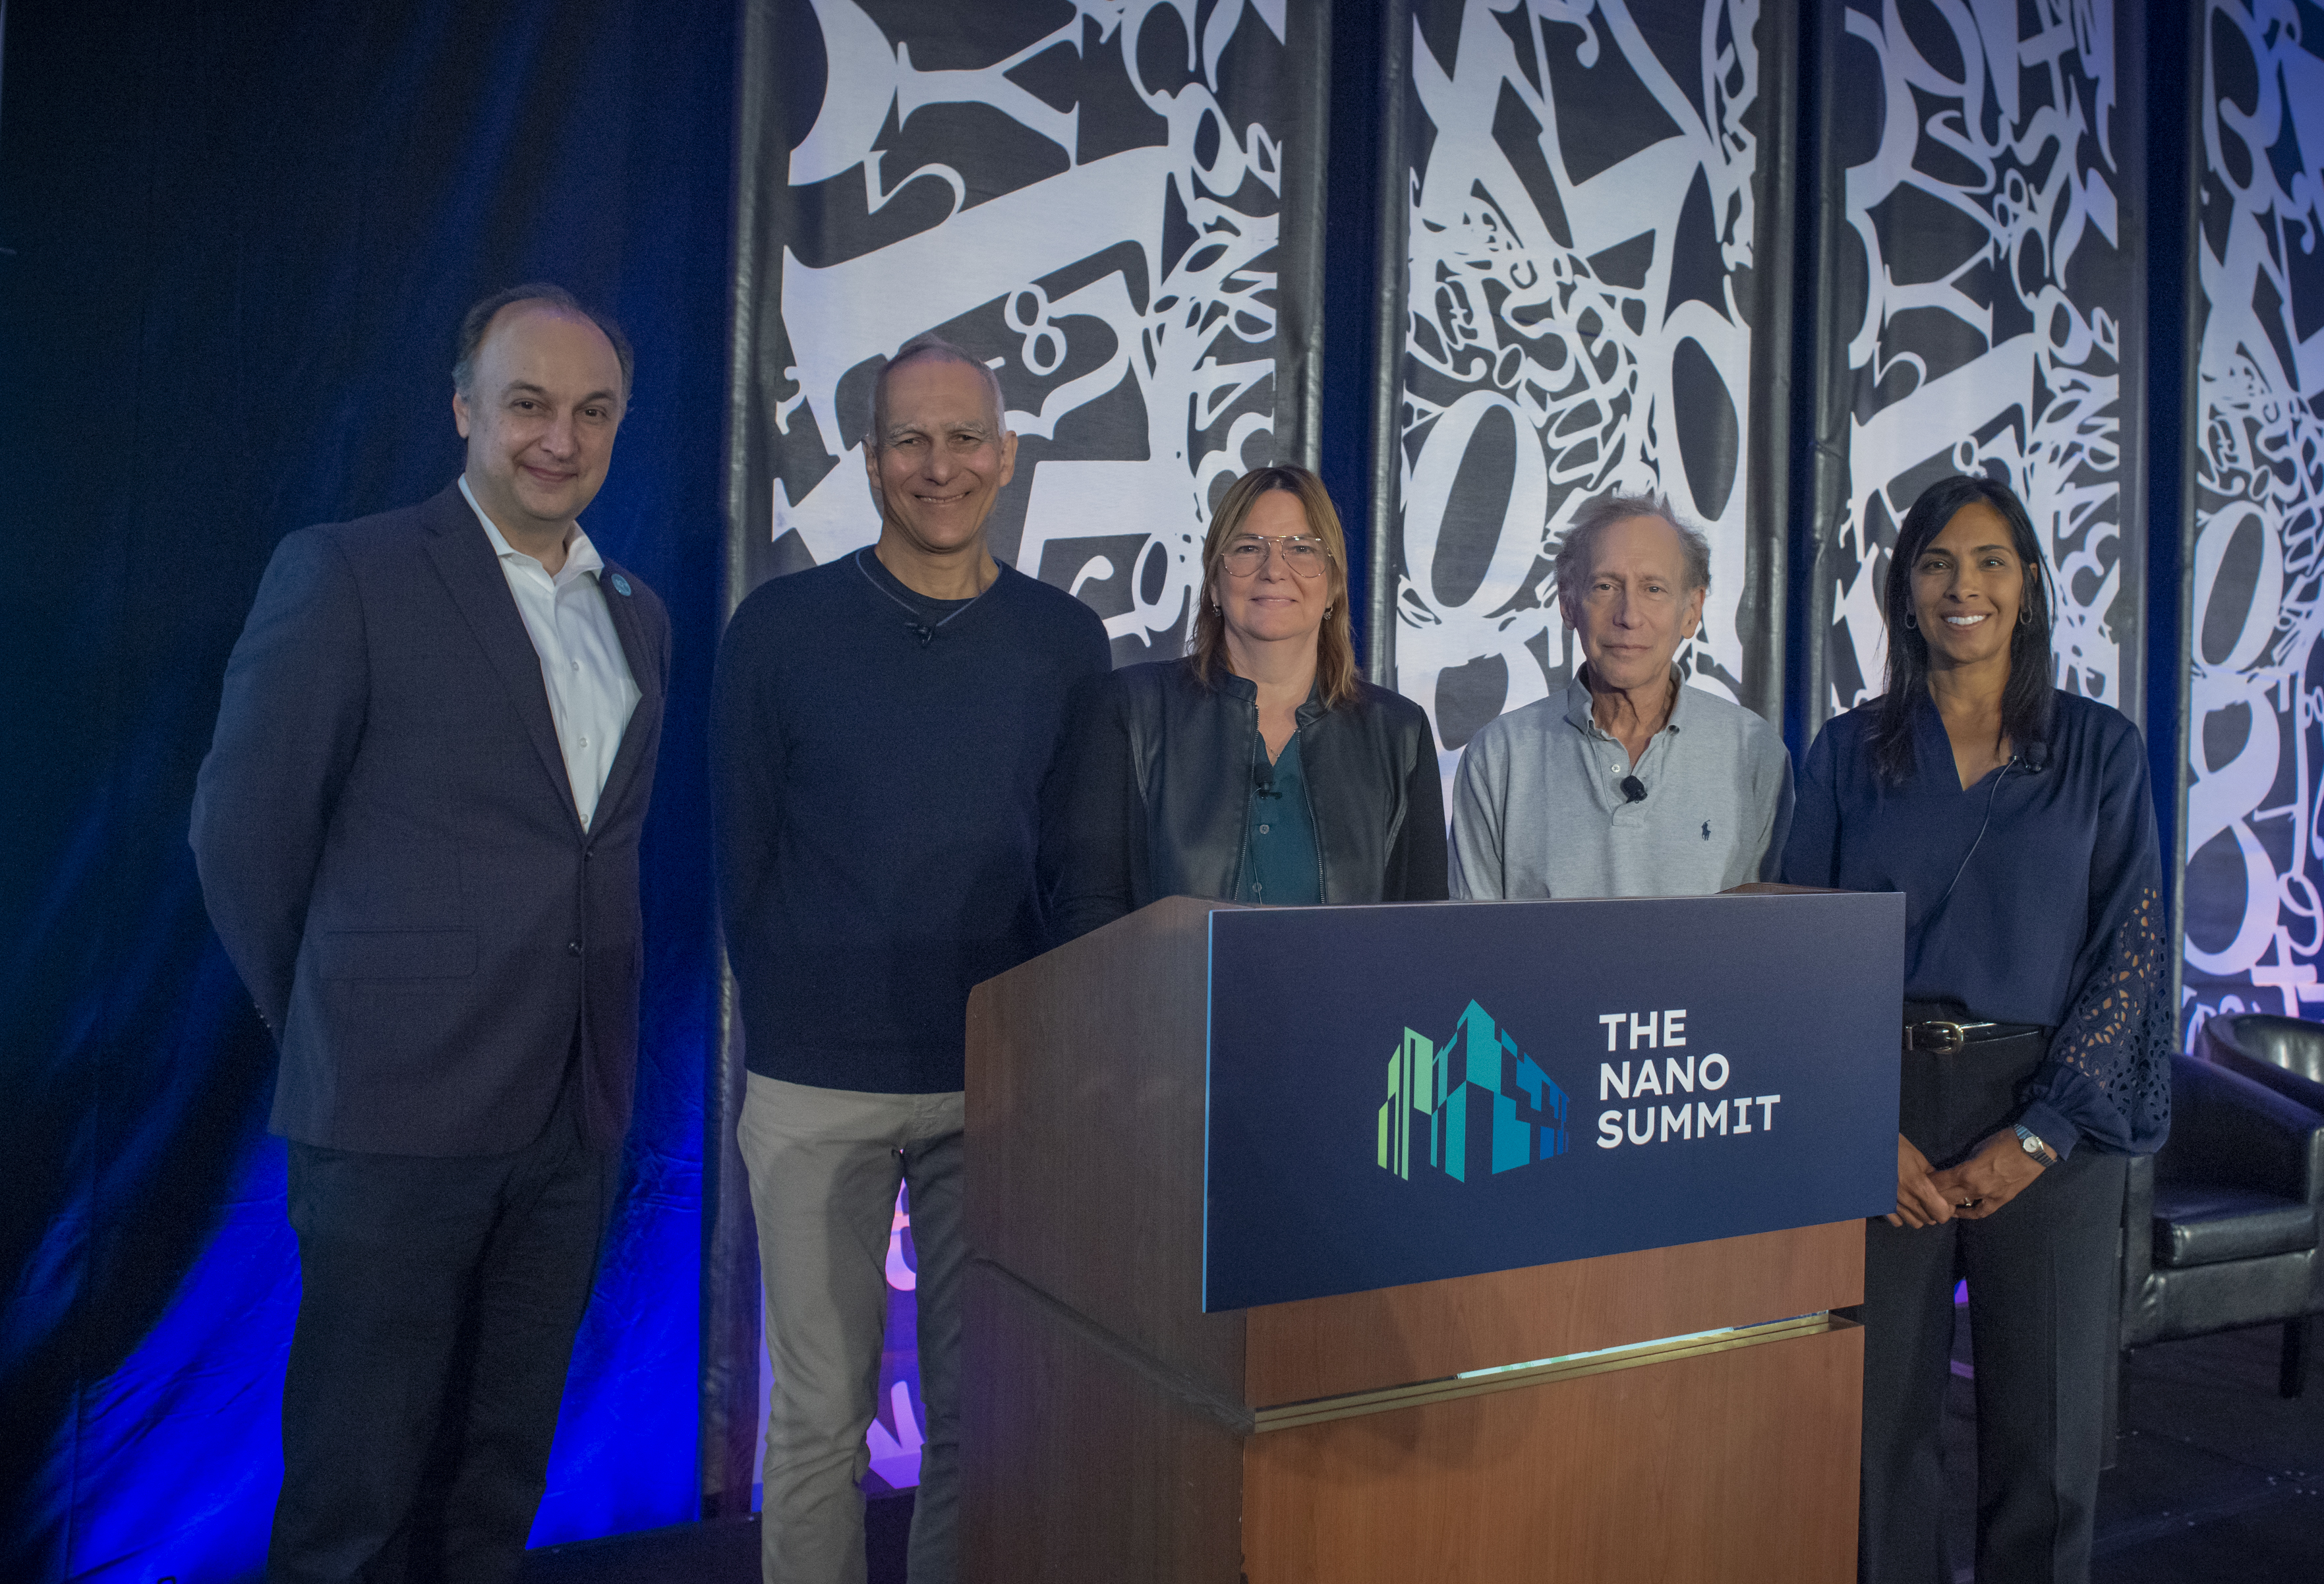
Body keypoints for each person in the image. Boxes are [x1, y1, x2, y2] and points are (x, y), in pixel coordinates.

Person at [191, 283, 670, 1581]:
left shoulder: (637, 613)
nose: (557, 438)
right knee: (355, 1484)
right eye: (527, 404)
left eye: (591, 411)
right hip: (390, 1116)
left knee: (498, 1469)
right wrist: (335, 1019)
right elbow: (241, 831)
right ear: (465, 409)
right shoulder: (346, 571)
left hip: (571, 1120)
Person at [712, 334, 1110, 1584]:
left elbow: (1081, 873)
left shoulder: (1064, 638)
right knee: (819, 1415)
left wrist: (1049, 1071)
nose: (939, 465)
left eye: (963, 438)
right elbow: (738, 856)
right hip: (812, 1085)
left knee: (977, 1419)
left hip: (986, 1085)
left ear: (1004, 455)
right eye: (909, 439)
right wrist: (797, 1018)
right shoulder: (778, 626)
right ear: (870, 457)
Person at [1780, 473, 2170, 1582]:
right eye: (1939, 563)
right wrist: (1862, 1129)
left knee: (2046, 1448)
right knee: (1875, 1439)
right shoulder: (1850, 749)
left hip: (2046, 1103)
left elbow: (2133, 953)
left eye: (1993, 560)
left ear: (2032, 586)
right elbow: (1804, 957)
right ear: (1905, 593)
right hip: (1883, 1105)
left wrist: (2043, 1132)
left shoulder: (2101, 747)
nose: (1966, 586)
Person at [1055, 463, 1447, 937]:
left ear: (1333, 586)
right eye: (1247, 548)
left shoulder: (1399, 733)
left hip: (1346, 1012)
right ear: (1215, 584)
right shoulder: (1127, 709)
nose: (1274, 570)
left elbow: (1424, 935)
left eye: (1301, 549)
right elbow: (1087, 918)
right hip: (1166, 1009)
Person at [1449, 492, 1791, 899]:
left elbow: (1781, 937)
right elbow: (1472, 948)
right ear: (1568, 603)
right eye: (1606, 586)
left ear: (1692, 611)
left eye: (1654, 589)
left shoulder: (1754, 752)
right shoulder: (1499, 757)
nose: (1628, 616)